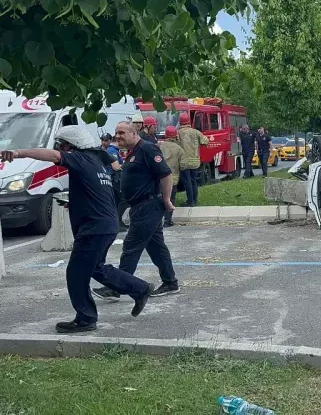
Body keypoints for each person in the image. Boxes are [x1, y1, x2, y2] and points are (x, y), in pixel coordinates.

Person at [0, 126, 153, 333]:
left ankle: (86, 318)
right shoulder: (96, 162)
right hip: (106, 225)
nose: (60, 150)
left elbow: (53, 156)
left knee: (76, 274)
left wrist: (18, 153)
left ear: (72, 145)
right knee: (96, 268)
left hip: (94, 228)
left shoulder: (79, 158)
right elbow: (94, 193)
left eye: (62, 145)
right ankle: (140, 288)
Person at [92, 122, 180, 301]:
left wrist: (166, 199)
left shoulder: (147, 149)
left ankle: (116, 288)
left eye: (122, 132)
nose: (118, 136)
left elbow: (166, 174)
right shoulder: (133, 151)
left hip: (148, 206)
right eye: (116, 133)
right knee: (156, 247)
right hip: (141, 206)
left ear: (134, 133)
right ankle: (170, 282)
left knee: (131, 247)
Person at [176, 112, 208, 207]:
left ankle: (190, 201)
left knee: (187, 182)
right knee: (194, 181)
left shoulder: (178, 133)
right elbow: (205, 141)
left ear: (180, 122)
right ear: (188, 121)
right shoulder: (196, 132)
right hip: (195, 161)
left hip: (184, 162)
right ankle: (195, 200)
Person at [160, 126, 184, 228]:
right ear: (175, 136)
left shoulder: (159, 146)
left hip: (159, 179)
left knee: (160, 199)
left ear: (166, 135)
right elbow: (183, 165)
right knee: (171, 199)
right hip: (172, 179)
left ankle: (158, 220)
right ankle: (167, 220)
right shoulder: (179, 149)